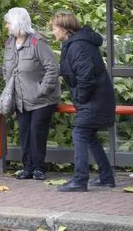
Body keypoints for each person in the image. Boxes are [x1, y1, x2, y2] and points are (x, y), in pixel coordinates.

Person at [51, 11, 116, 192]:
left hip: (94, 100)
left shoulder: (78, 46)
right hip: (96, 99)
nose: (53, 32)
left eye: (54, 28)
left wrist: (80, 98)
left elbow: (85, 77)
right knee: (89, 137)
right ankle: (106, 177)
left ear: (64, 29)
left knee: (80, 133)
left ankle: (80, 180)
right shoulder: (75, 43)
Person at [3, 7, 60, 181]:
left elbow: (53, 68)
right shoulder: (10, 43)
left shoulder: (37, 43)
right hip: (21, 99)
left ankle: (38, 167)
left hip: (42, 100)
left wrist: (41, 90)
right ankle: (27, 167)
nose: (6, 26)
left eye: (9, 22)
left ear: (18, 23)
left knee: (37, 131)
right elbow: (6, 69)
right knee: (25, 132)